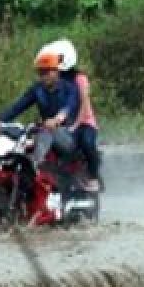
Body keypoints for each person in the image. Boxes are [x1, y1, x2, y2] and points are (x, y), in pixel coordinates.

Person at [0, 44, 81, 169]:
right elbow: (18, 106)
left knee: (47, 133)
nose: (43, 76)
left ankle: (35, 164)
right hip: (45, 129)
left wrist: (57, 119)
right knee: (10, 132)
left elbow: (69, 107)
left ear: (57, 71)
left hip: (69, 133)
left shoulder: (70, 88)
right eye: (41, 72)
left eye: (47, 71)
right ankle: (1, 164)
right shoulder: (37, 89)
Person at [47, 38, 101, 192]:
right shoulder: (55, 79)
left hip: (84, 123)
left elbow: (83, 104)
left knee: (87, 143)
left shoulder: (80, 79)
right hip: (64, 124)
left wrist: (76, 125)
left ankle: (93, 178)